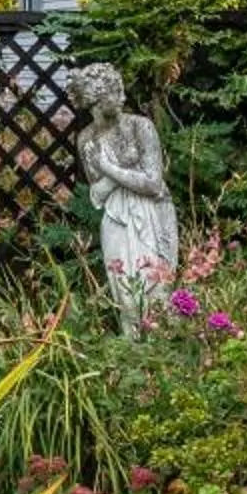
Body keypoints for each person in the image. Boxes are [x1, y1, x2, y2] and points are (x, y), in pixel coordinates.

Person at [74, 62, 175, 327]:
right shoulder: (86, 139)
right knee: (124, 290)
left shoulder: (140, 127)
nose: (122, 97)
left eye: (120, 90)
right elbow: (97, 194)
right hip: (115, 218)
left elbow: (153, 183)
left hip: (150, 213)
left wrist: (108, 168)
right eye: (113, 92)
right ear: (95, 99)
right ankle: (132, 347)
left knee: (155, 286)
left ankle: (161, 348)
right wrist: (123, 175)